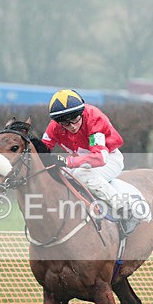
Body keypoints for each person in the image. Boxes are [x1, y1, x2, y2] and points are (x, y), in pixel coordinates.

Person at [42, 88, 129, 216]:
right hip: (81, 161)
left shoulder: (95, 119)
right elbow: (42, 149)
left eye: (75, 119)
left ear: (82, 113)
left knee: (80, 174)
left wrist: (67, 161)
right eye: (65, 123)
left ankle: (121, 205)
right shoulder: (55, 126)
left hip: (108, 158)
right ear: (58, 121)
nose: (71, 125)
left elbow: (100, 158)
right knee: (59, 172)